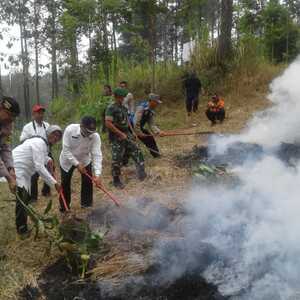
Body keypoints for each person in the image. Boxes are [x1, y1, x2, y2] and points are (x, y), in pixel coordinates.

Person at [13, 125, 63, 236]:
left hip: (24, 171)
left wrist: (49, 160)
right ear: (48, 133)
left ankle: (22, 226)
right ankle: (22, 230)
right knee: (22, 198)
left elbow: (41, 157)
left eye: (58, 137)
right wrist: (54, 184)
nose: (55, 137)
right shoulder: (39, 143)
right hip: (18, 167)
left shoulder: (43, 145)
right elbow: (39, 166)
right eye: (54, 134)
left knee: (24, 198)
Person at [105, 87, 146, 189]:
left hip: (127, 133)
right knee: (116, 159)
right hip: (116, 137)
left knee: (136, 151)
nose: (122, 99)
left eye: (123, 97)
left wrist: (132, 133)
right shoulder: (111, 108)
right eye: (120, 97)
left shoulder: (123, 107)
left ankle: (142, 174)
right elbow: (108, 123)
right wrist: (120, 133)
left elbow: (127, 121)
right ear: (115, 97)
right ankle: (116, 180)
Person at [59, 116, 102, 212]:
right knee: (65, 183)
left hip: (84, 159)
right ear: (81, 126)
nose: (90, 134)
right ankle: (64, 207)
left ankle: (86, 204)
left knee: (87, 181)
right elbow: (66, 150)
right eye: (87, 132)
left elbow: (97, 155)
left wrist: (98, 174)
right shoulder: (70, 130)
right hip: (67, 160)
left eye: (92, 132)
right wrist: (77, 164)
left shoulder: (95, 136)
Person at [20, 104, 51, 201]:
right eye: (38, 113)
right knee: (34, 175)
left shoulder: (47, 125)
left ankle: (46, 191)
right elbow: (22, 140)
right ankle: (33, 197)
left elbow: (51, 138)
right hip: (33, 155)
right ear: (33, 115)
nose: (41, 115)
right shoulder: (27, 127)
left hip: (46, 153)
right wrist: (34, 140)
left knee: (49, 171)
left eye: (42, 113)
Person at [134, 93, 166, 158]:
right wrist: (139, 133)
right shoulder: (141, 108)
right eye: (156, 102)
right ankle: (123, 162)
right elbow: (135, 122)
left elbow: (152, 124)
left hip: (139, 127)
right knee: (130, 144)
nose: (157, 104)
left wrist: (158, 132)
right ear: (151, 101)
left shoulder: (151, 111)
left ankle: (156, 155)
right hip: (130, 127)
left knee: (150, 139)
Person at [0, 96, 20, 194]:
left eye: (14, 117)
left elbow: (5, 147)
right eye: (9, 114)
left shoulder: (8, 124)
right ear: (1, 108)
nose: (11, 119)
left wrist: (10, 168)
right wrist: (8, 178)